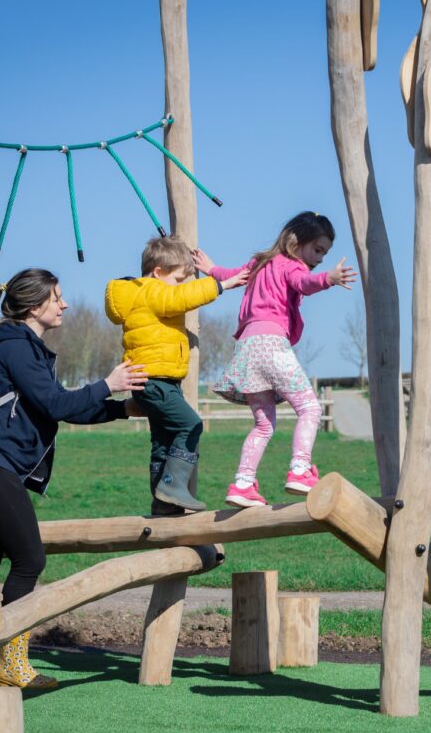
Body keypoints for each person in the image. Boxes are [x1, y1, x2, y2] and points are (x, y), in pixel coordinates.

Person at [0, 268, 148, 690]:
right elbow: (56, 402)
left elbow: (59, 409)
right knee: (30, 560)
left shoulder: (26, 349)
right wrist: (108, 384)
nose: (64, 304)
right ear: (33, 305)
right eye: (57, 297)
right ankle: (9, 661)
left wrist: (121, 409)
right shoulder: (18, 350)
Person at [193, 211, 357, 508]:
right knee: (310, 408)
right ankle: (300, 469)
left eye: (324, 253)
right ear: (298, 242)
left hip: (246, 350)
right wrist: (328, 279)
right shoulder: (292, 266)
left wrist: (211, 268)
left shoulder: (260, 263)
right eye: (317, 250)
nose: (320, 258)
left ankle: (242, 484)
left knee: (264, 426)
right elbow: (304, 283)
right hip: (271, 345)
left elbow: (233, 277)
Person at [105, 235, 248, 516]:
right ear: (158, 272)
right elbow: (180, 297)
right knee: (191, 425)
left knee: (163, 441)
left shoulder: (144, 296)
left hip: (152, 381)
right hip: (155, 380)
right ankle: (172, 487)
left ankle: (163, 502)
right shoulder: (149, 290)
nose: (182, 286)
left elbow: (172, 305)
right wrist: (221, 284)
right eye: (179, 278)